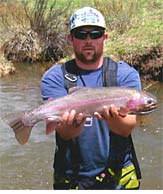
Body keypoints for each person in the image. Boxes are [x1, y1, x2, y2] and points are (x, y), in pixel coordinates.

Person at [41, 7, 142, 190]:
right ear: (70, 38)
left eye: (95, 34)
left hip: (118, 177)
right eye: (81, 34)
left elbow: (127, 128)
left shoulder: (125, 74)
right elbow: (63, 133)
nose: (88, 40)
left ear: (105, 37)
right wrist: (71, 126)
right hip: (72, 177)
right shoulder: (54, 77)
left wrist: (114, 119)